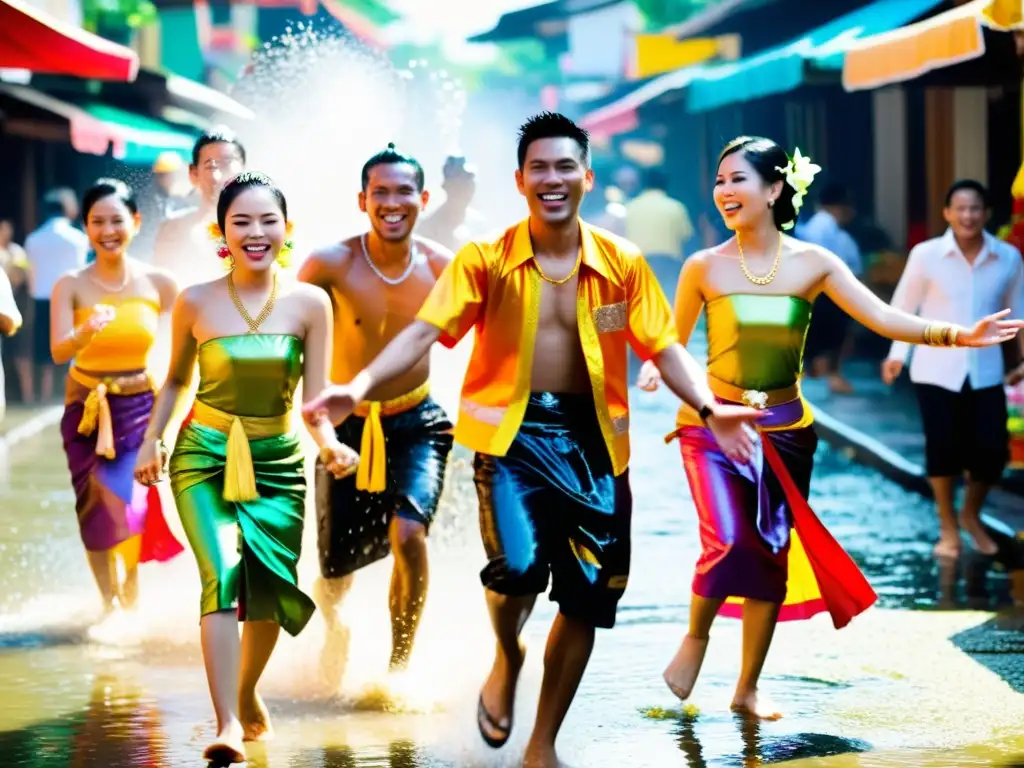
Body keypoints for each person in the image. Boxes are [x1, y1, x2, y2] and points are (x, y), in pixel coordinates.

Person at [302, 112, 763, 768]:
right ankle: (507, 654)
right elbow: (425, 332)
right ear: (520, 180)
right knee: (517, 569)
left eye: (564, 166)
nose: (553, 178)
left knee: (585, 598)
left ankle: (541, 745)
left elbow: (663, 346)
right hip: (510, 437)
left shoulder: (622, 262)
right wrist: (359, 384)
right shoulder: (485, 259)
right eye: (539, 168)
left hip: (598, 444)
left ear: (586, 175)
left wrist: (710, 406)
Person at [639, 137, 1022, 721]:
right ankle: (696, 635)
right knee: (730, 539)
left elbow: (883, 315)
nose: (724, 191)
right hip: (712, 425)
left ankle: (746, 688)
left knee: (769, 550)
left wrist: (956, 335)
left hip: (787, 428)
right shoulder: (702, 266)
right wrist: (650, 365)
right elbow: (669, 338)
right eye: (719, 181)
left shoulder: (814, 263)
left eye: (736, 179)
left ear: (773, 190)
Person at [133, 172, 359, 764]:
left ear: (286, 230)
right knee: (223, 575)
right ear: (221, 232)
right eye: (242, 222)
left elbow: (315, 399)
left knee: (268, 589)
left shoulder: (312, 303)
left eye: (267, 221)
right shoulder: (196, 300)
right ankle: (227, 723)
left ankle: (247, 691)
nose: (255, 232)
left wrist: (330, 443)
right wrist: (152, 439)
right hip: (203, 456)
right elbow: (179, 377)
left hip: (278, 460)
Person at [298, 144, 455, 683]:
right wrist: (322, 436)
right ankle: (335, 628)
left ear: (424, 199)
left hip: (418, 421)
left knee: (409, 534)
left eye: (404, 192)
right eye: (380, 193)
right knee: (335, 571)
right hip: (345, 427)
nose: (392, 203)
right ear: (362, 200)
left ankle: (399, 665)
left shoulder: (442, 267)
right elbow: (295, 348)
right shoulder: (329, 264)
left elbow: (495, 340)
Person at [49, 180, 184, 629]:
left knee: (131, 502)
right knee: (94, 505)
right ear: (85, 227)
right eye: (97, 222)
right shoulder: (70, 285)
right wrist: (85, 333)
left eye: (116, 221)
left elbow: (191, 338)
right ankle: (109, 603)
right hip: (85, 409)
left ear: (136, 223)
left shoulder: (160, 283)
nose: (108, 230)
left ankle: (132, 595)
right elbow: (57, 351)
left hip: (139, 407)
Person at [882, 179, 1024, 558]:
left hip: (987, 370)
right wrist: (897, 355)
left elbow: (1019, 314)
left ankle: (970, 515)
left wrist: (1022, 360)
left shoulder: (1007, 257)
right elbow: (902, 309)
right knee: (942, 452)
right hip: (935, 369)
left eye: (975, 208)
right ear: (947, 213)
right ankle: (947, 526)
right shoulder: (926, 255)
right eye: (960, 208)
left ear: (987, 213)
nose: (968, 215)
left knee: (993, 453)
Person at [153, 129, 246, 286]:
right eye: (211, 167)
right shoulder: (174, 228)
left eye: (227, 164)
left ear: (244, 170)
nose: (219, 177)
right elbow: (162, 288)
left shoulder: (264, 226)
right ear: (193, 173)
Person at [25, 188, 90, 402]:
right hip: (71, 298)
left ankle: (44, 395)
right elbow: (82, 270)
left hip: (42, 298)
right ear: (68, 209)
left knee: (46, 349)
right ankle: (69, 393)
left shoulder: (33, 239)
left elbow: (31, 275)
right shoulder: (78, 238)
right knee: (72, 344)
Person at [798, 182, 863, 394]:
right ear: (841, 207)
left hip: (817, 292)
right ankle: (829, 375)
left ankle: (822, 374)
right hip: (825, 293)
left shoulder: (816, 227)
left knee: (818, 340)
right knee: (827, 338)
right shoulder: (825, 229)